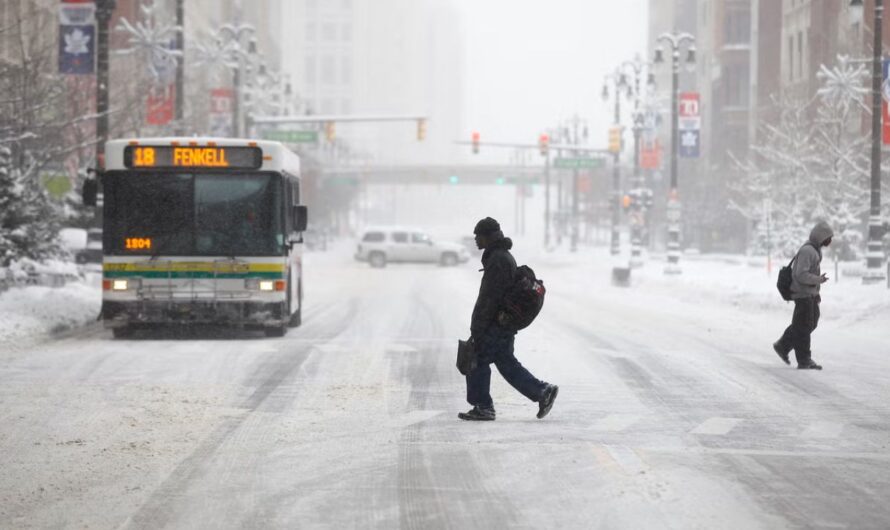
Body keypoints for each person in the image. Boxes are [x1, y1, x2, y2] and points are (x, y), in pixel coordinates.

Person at [459, 217, 558, 421]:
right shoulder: (500, 256)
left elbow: (489, 298)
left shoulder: (498, 260)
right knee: (506, 362)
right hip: (503, 322)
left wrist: (478, 328)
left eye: (478, 235)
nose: (476, 240)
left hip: (497, 323)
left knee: (476, 359)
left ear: (487, 237)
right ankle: (542, 392)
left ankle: (484, 406)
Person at [774, 221, 834, 370]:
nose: (830, 241)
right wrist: (818, 280)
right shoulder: (808, 251)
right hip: (802, 294)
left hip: (810, 294)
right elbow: (800, 274)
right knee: (803, 326)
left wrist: (816, 292)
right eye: (828, 237)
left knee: (809, 324)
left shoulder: (814, 250)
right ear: (821, 237)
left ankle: (783, 345)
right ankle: (804, 359)